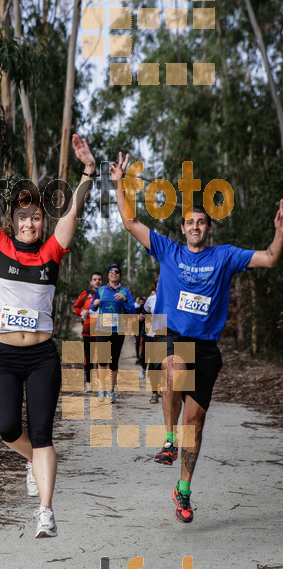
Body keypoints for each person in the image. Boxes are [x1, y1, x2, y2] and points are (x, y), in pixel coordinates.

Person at [110, 152, 283, 523]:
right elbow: (129, 222)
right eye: (189, 221)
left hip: (207, 348)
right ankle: (169, 439)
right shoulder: (168, 250)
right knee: (173, 371)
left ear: (208, 228)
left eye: (201, 222)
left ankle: (183, 491)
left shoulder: (225, 257)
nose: (195, 227)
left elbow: (269, 258)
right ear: (182, 227)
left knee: (197, 424)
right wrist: (119, 183)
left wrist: (280, 232)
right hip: (173, 336)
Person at [0, 118, 96, 538]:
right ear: (14, 221)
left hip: (42, 356)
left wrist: (87, 173)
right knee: (7, 428)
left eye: (36, 218)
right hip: (4, 355)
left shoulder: (52, 252)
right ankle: (31, 461)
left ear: (42, 224)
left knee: (45, 432)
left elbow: (72, 212)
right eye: (24, 218)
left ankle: (46, 513)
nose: (30, 224)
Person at [91, 263, 136, 403]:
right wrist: (96, 303)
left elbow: (132, 311)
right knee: (103, 360)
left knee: (114, 362)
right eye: (111, 271)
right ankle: (101, 389)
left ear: (119, 275)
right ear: (108, 274)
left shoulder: (125, 292)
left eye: (116, 271)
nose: (114, 273)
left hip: (118, 330)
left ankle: (111, 391)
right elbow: (92, 306)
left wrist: (125, 300)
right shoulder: (101, 290)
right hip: (102, 329)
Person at [71, 271, 103, 392]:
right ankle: (89, 383)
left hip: (103, 331)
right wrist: (81, 312)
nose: (97, 281)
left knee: (102, 359)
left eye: (99, 279)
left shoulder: (106, 294)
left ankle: (100, 385)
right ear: (91, 282)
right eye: (95, 279)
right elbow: (74, 307)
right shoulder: (85, 295)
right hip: (88, 330)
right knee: (88, 358)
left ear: (102, 281)